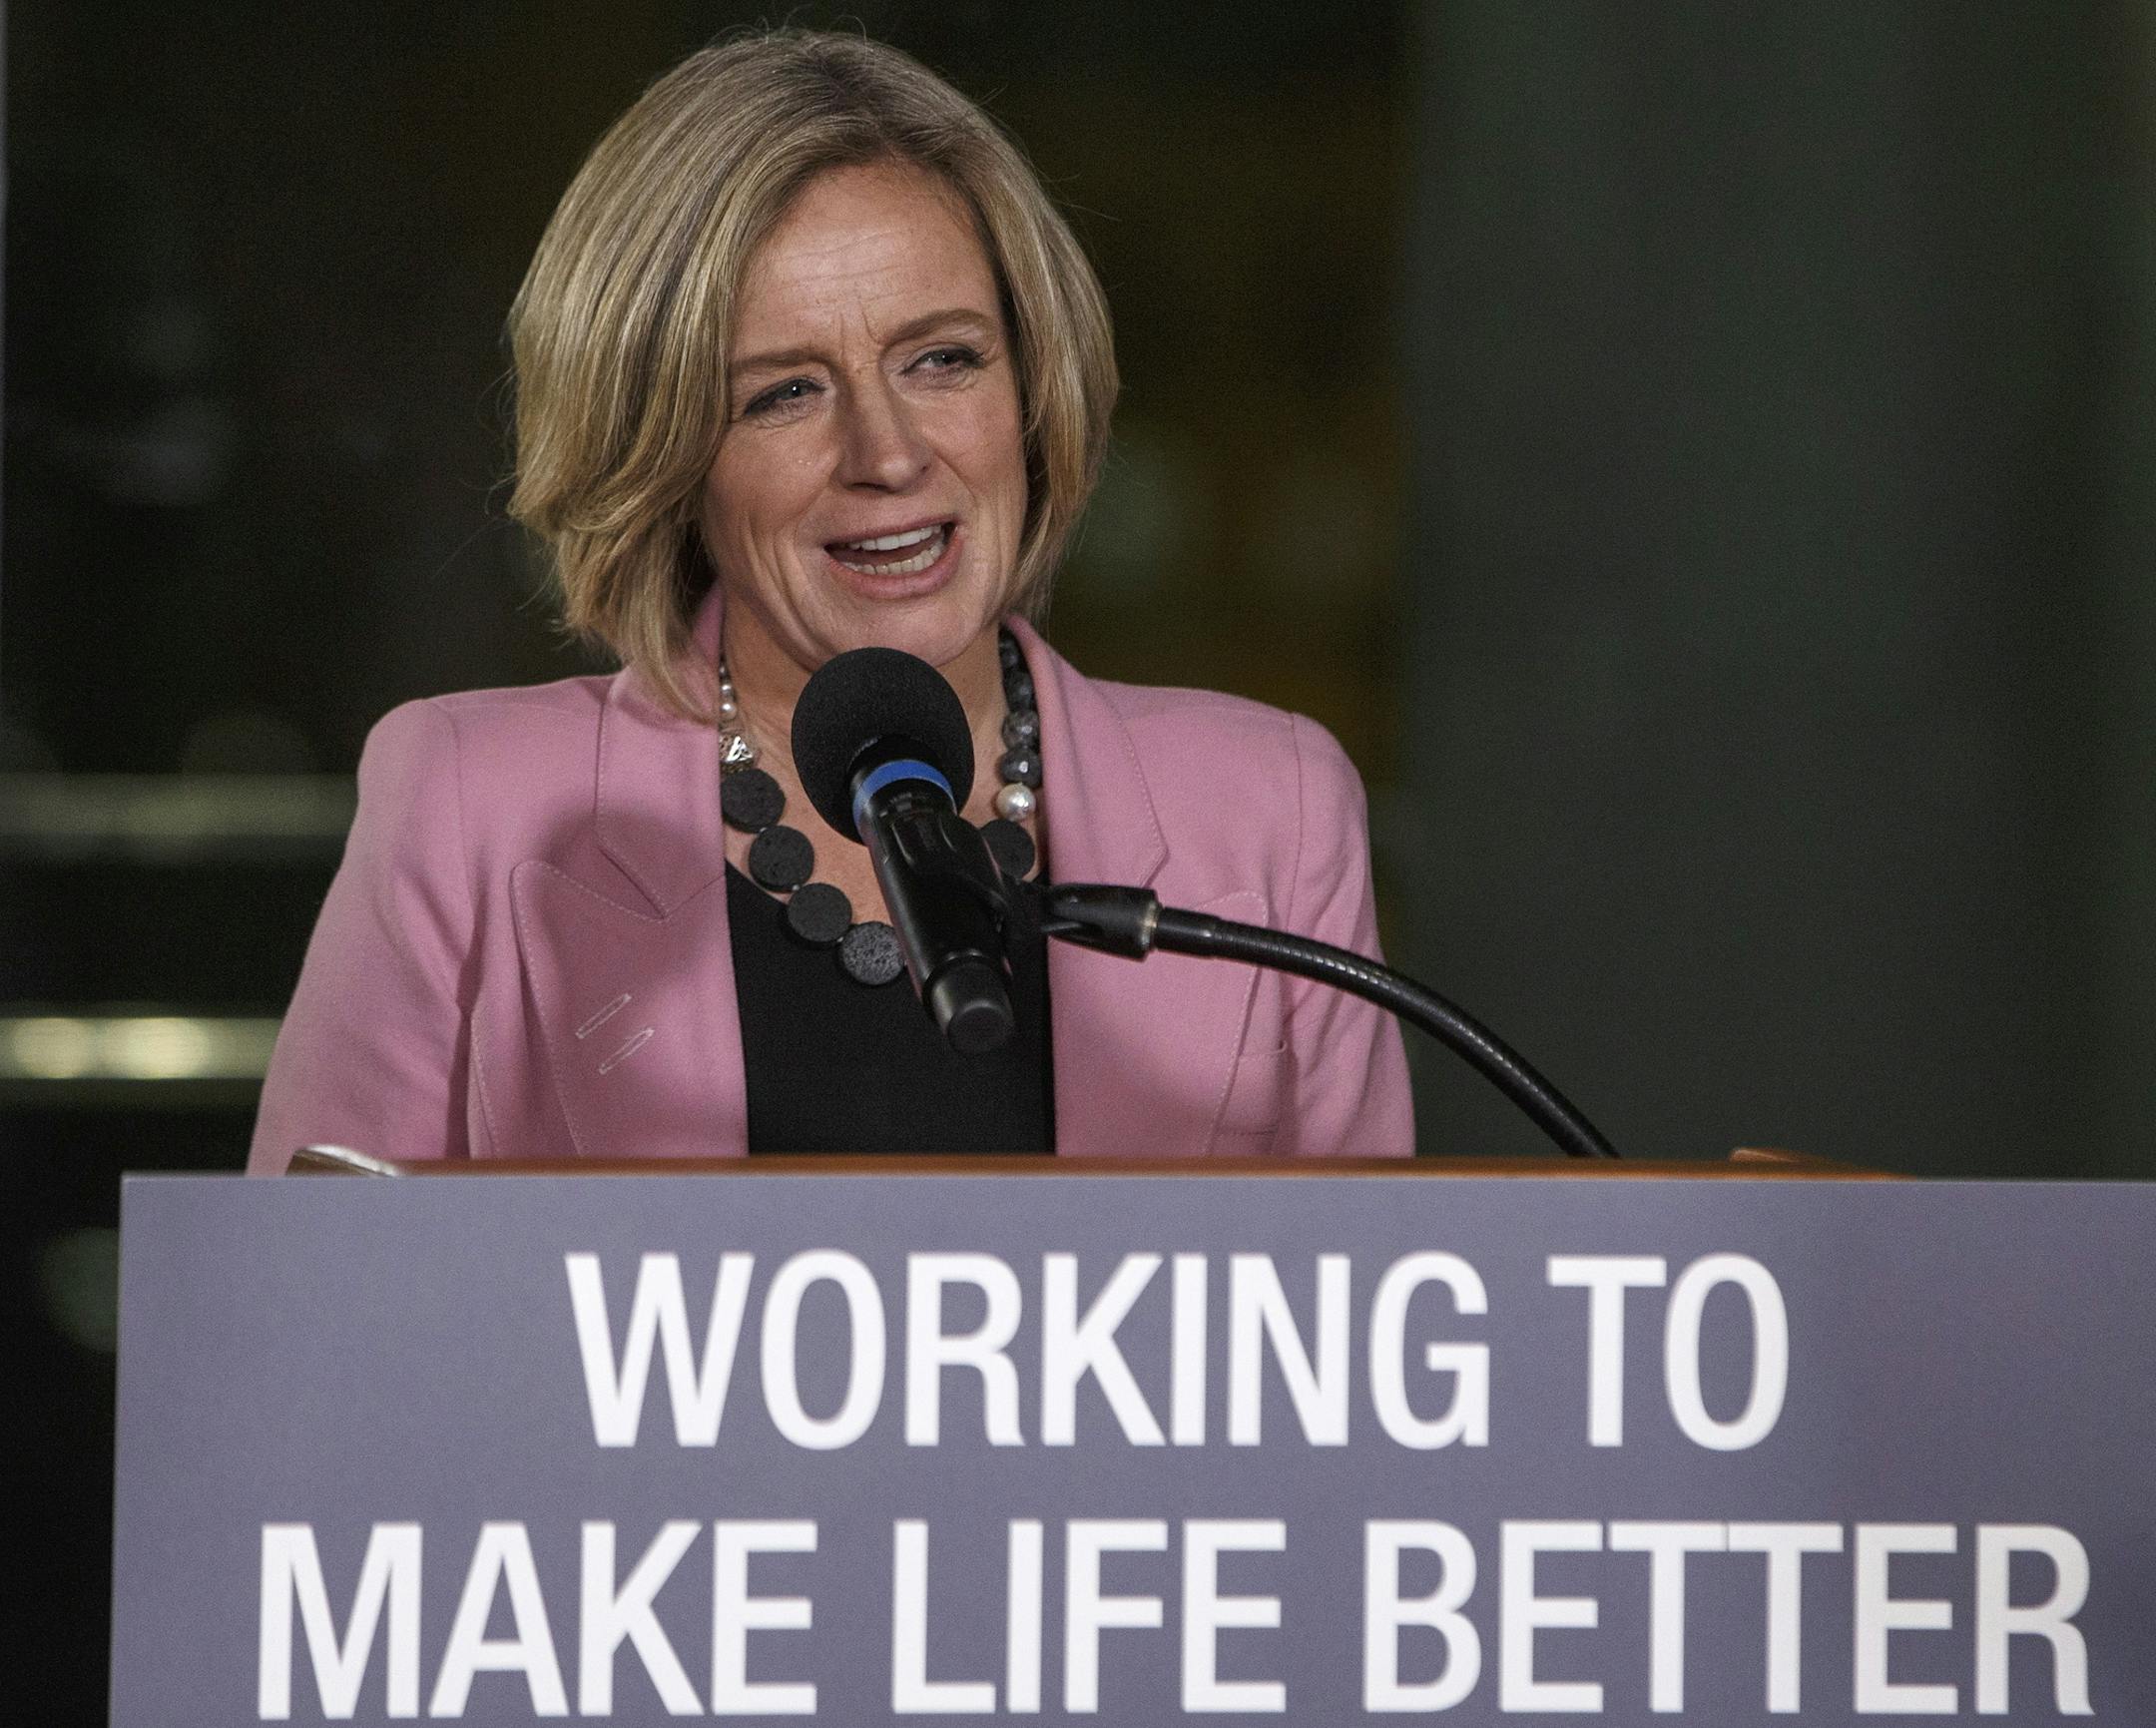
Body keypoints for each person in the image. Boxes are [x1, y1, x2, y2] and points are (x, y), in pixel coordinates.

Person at [248, 30, 1412, 1170]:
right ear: (663, 452)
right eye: (784, 392)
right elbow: (302, 1327)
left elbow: (1357, 1339)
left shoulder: (1274, 812)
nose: (888, 453)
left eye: (942, 359)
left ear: (1031, 387)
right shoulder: (469, 807)